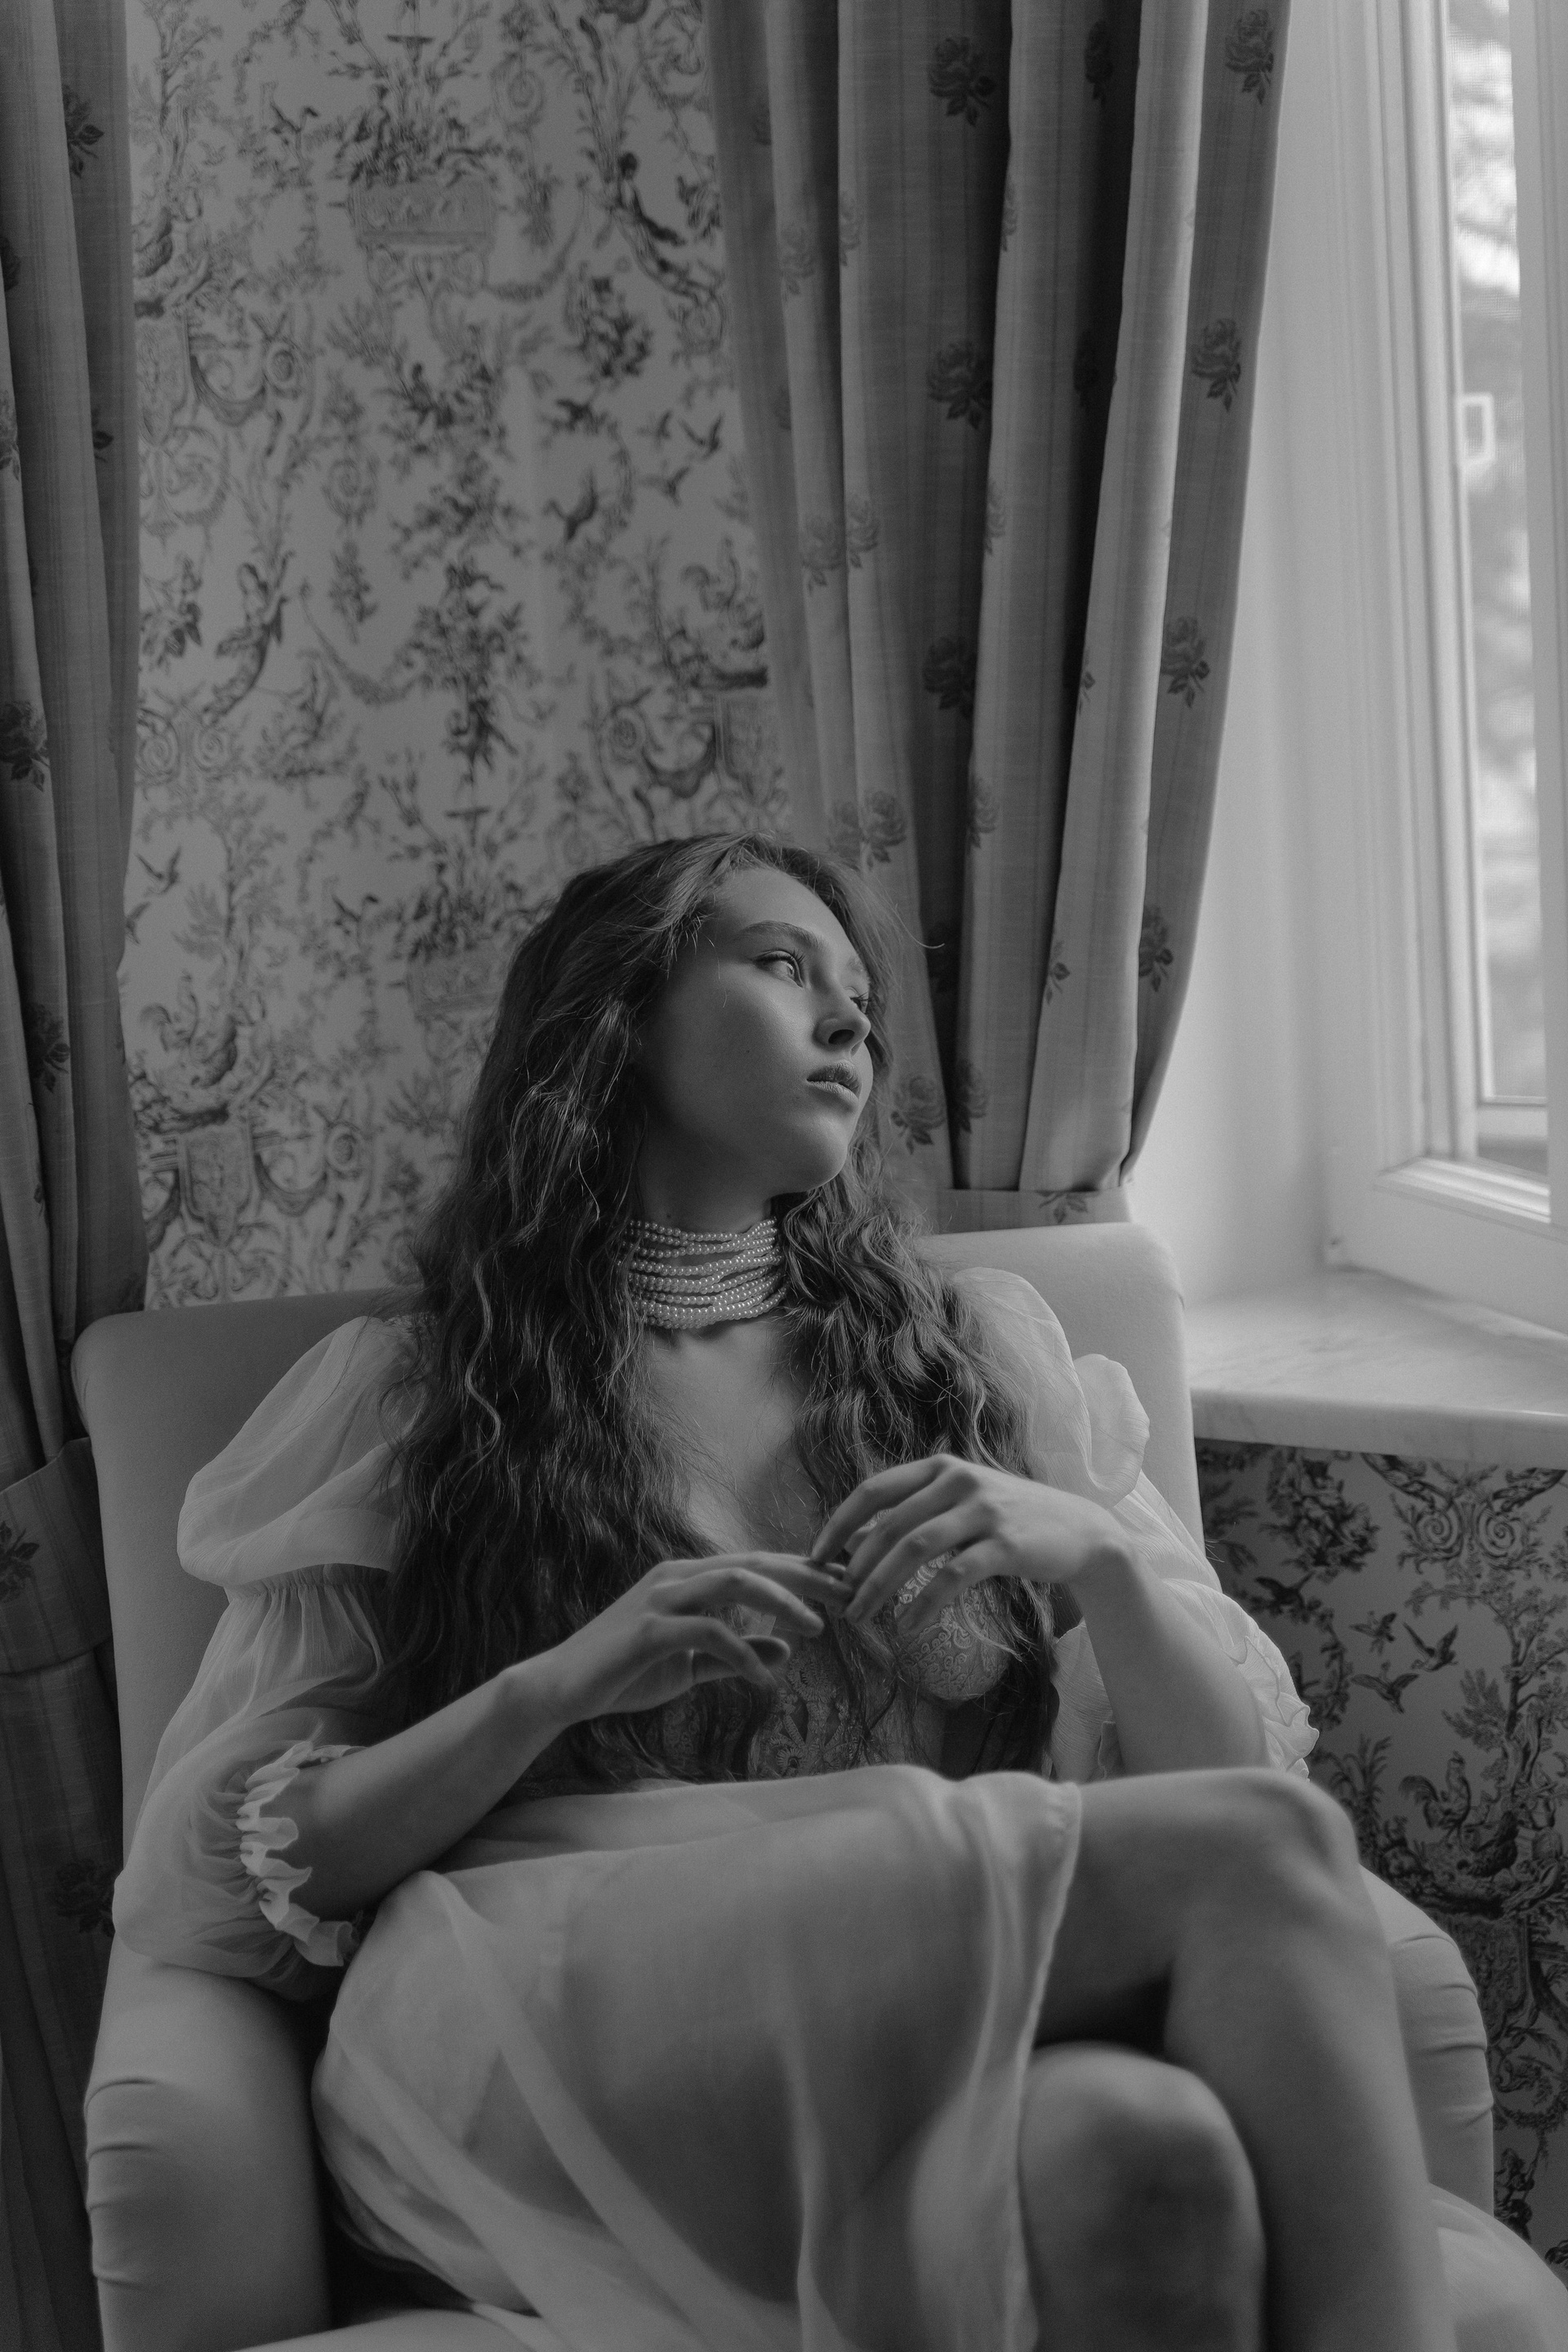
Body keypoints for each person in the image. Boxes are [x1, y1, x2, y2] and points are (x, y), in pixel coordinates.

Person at [114, 831, 1460, 2352]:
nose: (847, 1027)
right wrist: (554, 1685)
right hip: (549, 2027)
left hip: (905, 2042)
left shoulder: (969, 1359)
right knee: (1265, 1857)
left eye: (861, 1008)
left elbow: (1221, 1795)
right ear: (619, 1013)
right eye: (780, 965)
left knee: (1146, 2158)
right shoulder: (417, 1396)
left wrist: (1099, 1564)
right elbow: (216, 1886)